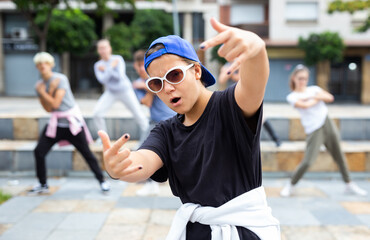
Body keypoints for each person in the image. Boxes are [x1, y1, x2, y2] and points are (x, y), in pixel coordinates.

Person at [99, 18, 280, 240]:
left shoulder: (230, 106)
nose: (167, 88)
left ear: (195, 70)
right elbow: (143, 162)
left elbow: (254, 83)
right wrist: (119, 168)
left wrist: (256, 49)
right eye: (156, 83)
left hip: (243, 233)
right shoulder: (166, 132)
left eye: (174, 75)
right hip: (195, 232)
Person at [280, 64, 367, 197]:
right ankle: (291, 184)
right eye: (300, 78)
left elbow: (330, 98)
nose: (302, 81)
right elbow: (305, 105)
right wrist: (316, 98)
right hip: (313, 129)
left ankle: (349, 183)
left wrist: (312, 98)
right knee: (308, 161)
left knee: (339, 156)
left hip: (327, 123)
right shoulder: (292, 96)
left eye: (305, 78)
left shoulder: (314, 89)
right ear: (294, 78)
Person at [30, 52, 110, 194]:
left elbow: (56, 102)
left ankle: (102, 181)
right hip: (56, 124)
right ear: (36, 67)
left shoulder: (60, 79)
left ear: (51, 65)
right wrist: (43, 92)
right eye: (39, 64)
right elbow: (49, 109)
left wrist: (46, 91)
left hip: (72, 124)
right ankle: (42, 184)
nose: (43, 66)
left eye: (46, 63)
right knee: (39, 151)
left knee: (87, 154)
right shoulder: (39, 85)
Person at [132, 50, 176, 196]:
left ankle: (153, 184)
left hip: (172, 118)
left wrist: (150, 84)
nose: (141, 69)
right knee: (144, 150)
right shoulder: (138, 84)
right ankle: (151, 183)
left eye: (143, 66)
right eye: (138, 66)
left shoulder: (159, 76)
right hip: (156, 122)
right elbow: (146, 102)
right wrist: (152, 86)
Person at [93, 39, 149, 146]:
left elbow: (119, 77)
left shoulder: (118, 59)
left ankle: (147, 139)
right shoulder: (97, 65)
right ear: (98, 51)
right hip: (110, 92)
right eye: (101, 48)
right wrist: (110, 67)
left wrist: (106, 69)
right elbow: (103, 80)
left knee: (138, 114)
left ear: (109, 48)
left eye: (105, 47)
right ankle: (103, 139)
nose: (103, 50)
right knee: (97, 113)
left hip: (125, 90)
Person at [219, 62, 282, 147]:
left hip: (247, 96)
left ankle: (275, 138)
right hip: (232, 97)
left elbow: (241, 78)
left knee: (261, 117)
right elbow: (222, 79)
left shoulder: (244, 63)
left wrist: (233, 72)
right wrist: (232, 71)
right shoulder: (227, 66)